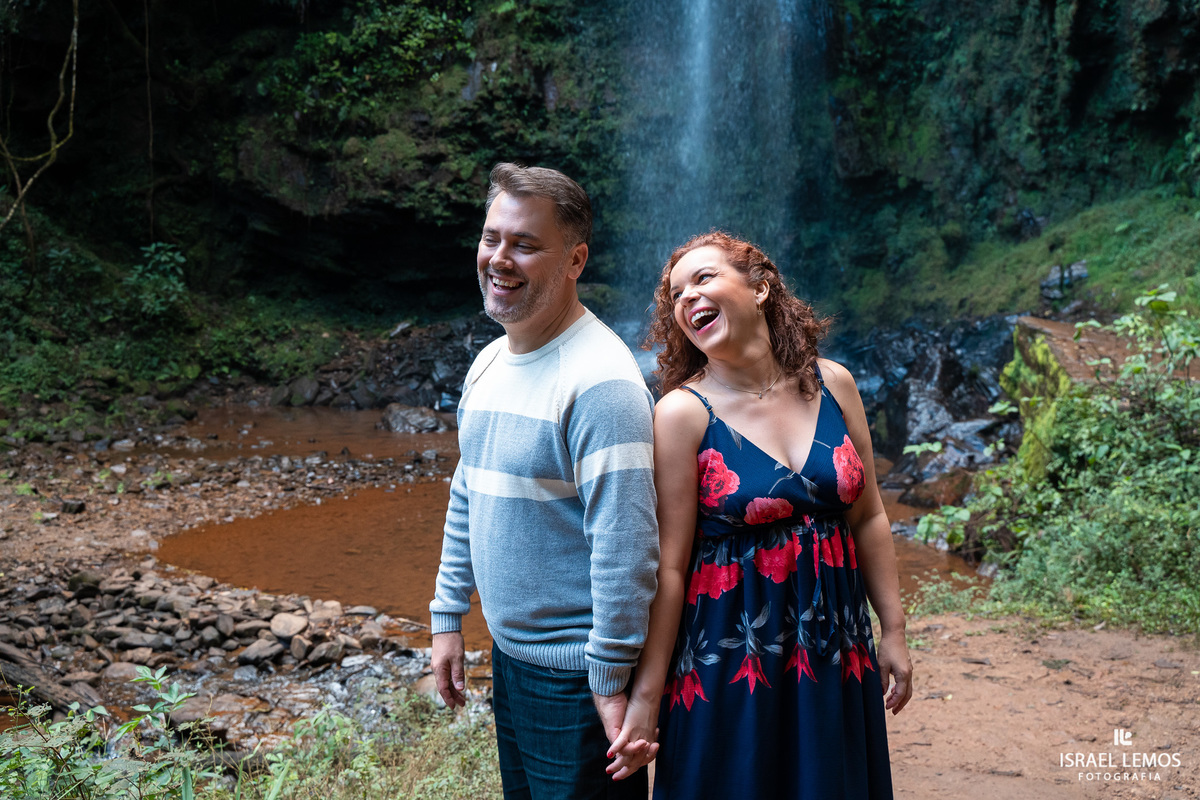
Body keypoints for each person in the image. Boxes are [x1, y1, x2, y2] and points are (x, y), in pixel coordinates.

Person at [608, 231, 913, 798]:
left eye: (703, 278)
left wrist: (891, 630)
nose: (687, 299)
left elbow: (868, 516)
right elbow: (669, 569)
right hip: (731, 656)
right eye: (675, 295)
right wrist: (646, 698)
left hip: (833, 647)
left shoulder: (834, 383)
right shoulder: (681, 414)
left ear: (762, 288)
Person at [429, 162, 659, 799]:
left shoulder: (601, 382)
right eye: (491, 238)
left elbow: (628, 548)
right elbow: (467, 490)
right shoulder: (490, 361)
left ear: (574, 260)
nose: (499, 259)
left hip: (577, 678)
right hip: (513, 660)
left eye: (525, 244)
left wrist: (610, 677)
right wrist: (449, 617)